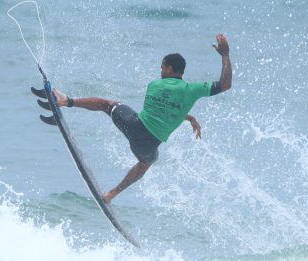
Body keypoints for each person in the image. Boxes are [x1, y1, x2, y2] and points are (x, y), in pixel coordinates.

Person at [53, 34, 232, 203]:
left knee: (105, 104)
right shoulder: (191, 90)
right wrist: (225, 55)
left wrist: (189, 117)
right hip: (147, 145)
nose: (160, 71)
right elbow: (225, 84)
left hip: (134, 127)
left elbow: (163, 108)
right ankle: (111, 194)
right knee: (148, 162)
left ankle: (65, 101)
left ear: (169, 68)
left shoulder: (154, 85)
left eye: (162, 67)